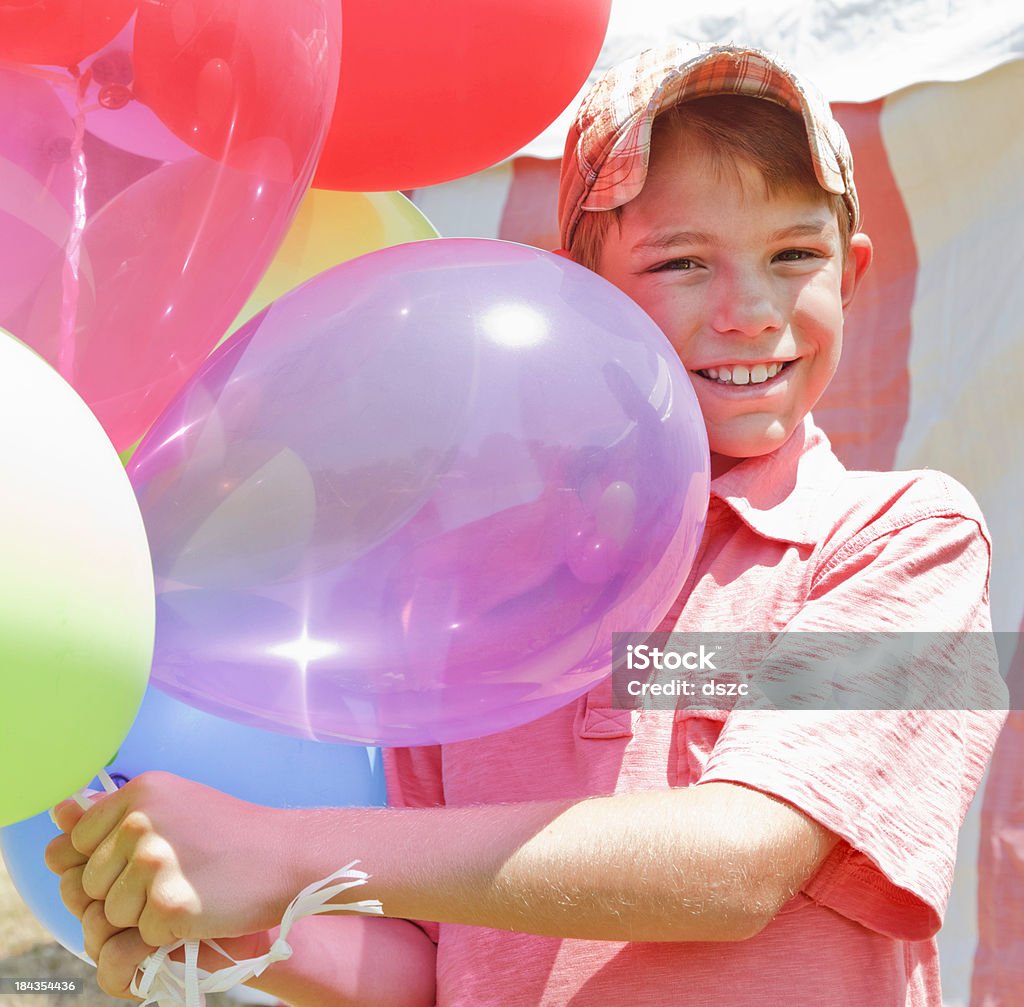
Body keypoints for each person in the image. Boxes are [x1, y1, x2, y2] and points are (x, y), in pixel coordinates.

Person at [46, 43, 1007, 1006]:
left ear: (853, 273)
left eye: (795, 255)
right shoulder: (463, 581)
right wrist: (249, 931)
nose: (750, 311)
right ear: (579, 294)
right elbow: (439, 959)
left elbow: (745, 859)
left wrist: (280, 849)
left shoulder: (910, 536)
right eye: (681, 261)